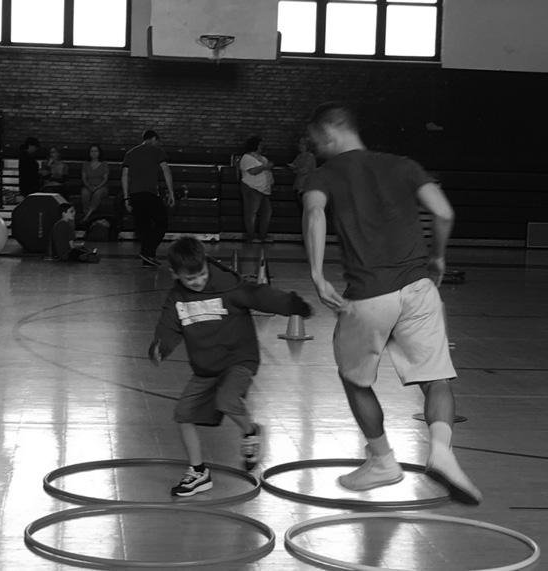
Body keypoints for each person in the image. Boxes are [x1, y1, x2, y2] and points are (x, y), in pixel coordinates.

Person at [301, 102, 482, 504]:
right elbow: (444, 212)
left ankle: (383, 460)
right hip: (419, 289)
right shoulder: (403, 165)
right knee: (436, 380)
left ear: (329, 132)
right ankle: (441, 451)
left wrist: (316, 273)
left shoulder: (324, 175)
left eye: (315, 139)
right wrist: (438, 257)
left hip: (369, 294)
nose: (314, 147)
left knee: (355, 379)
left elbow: (314, 214)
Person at [148, 236, 312, 496]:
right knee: (183, 414)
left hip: (239, 360)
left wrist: (293, 305)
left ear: (206, 264)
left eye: (202, 274)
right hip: (206, 367)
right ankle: (198, 472)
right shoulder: (177, 298)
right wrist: (161, 346)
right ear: (175, 274)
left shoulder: (230, 287)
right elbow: (168, 325)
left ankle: (250, 431)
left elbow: (261, 296)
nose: (198, 281)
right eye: (190, 279)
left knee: (226, 399)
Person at [121, 130, 175, 267]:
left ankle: (148, 259)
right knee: (162, 223)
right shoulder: (157, 151)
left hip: (135, 194)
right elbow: (166, 171)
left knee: (144, 227)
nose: (158, 143)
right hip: (150, 193)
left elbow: (125, 176)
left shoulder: (130, 153)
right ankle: (147, 252)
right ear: (153, 139)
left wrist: (126, 198)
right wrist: (171, 193)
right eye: (158, 141)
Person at [239, 136, 274, 243]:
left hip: (264, 189)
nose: (262, 146)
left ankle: (263, 236)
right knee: (251, 213)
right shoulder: (247, 157)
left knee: (266, 212)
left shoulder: (262, 158)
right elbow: (253, 171)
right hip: (252, 188)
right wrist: (265, 167)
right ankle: (251, 237)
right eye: (260, 144)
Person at [80, 144, 109, 225]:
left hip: (101, 186)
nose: (94, 153)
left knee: (97, 194)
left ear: (99, 152)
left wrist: (97, 187)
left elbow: (105, 179)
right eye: (92, 151)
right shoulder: (85, 164)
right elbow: (84, 178)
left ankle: (88, 216)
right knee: (84, 193)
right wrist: (88, 186)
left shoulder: (104, 164)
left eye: (96, 151)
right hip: (88, 186)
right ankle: (86, 213)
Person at [288, 137, 316, 212]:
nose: (300, 146)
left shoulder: (310, 156)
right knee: (301, 209)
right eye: (299, 144)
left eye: (303, 144)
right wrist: (295, 168)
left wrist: (296, 168)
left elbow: (305, 170)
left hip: (306, 186)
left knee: (306, 209)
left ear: (307, 146)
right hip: (298, 185)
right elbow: (294, 168)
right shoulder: (299, 156)